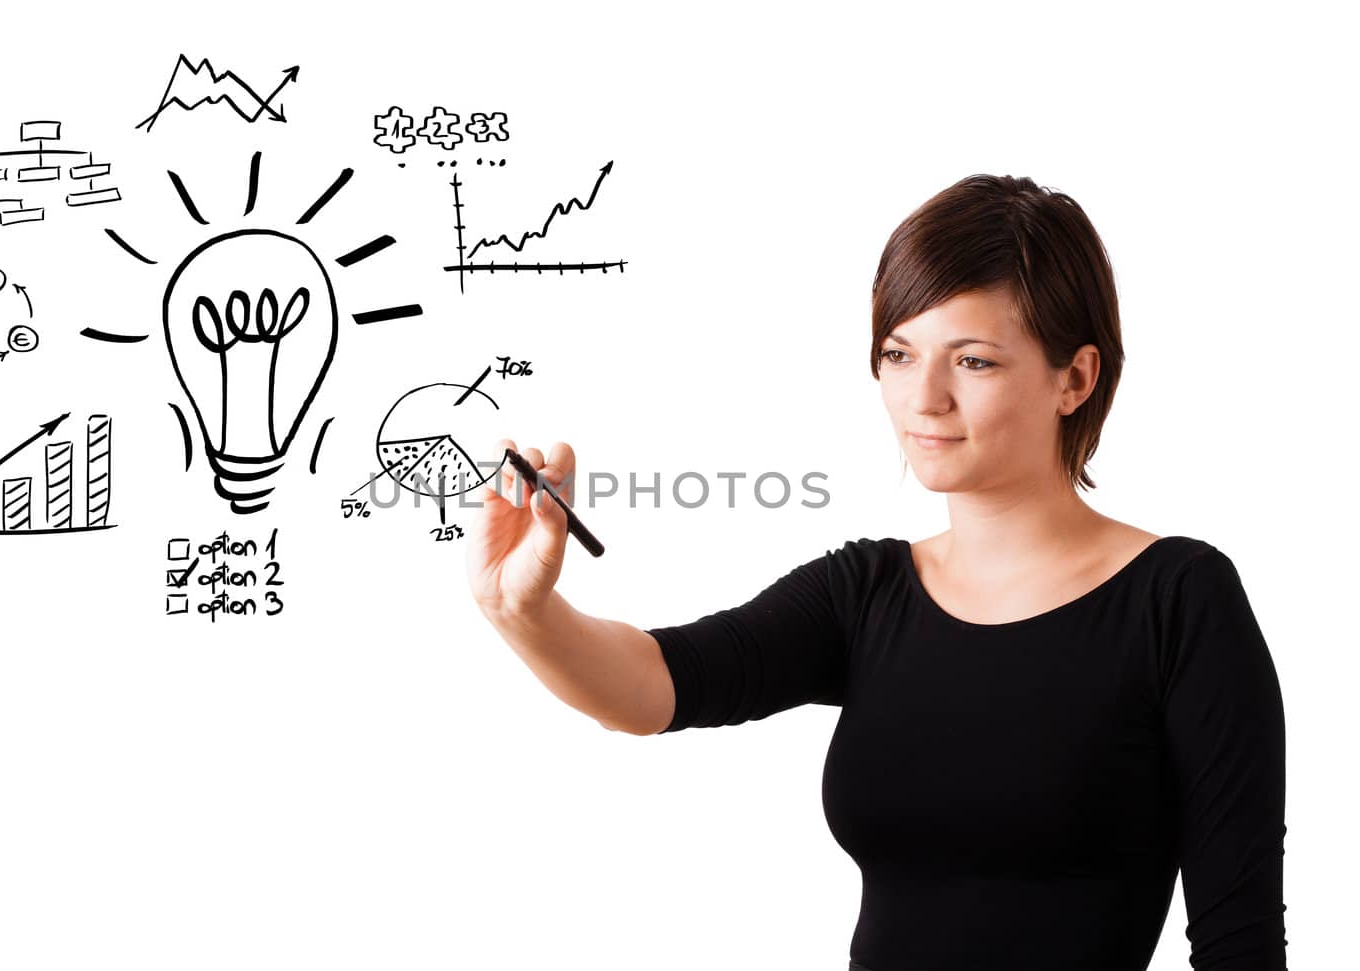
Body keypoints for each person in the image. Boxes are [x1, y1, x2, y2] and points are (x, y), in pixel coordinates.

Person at [465, 174, 1288, 971]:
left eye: (973, 361)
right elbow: (654, 685)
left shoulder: (1179, 601)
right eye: (898, 353)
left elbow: (1239, 946)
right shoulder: (865, 593)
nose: (922, 397)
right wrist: (521, 610)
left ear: (1075, 377)